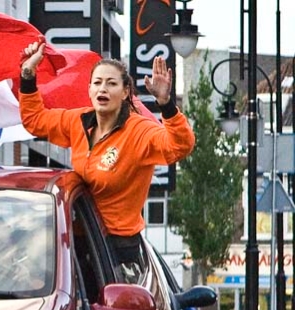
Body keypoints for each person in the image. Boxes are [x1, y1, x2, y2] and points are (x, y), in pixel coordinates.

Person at [19, 42, 195, 277]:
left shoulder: (138, 130)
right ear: (89, 90)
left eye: (111, 83)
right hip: (79, 238)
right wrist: (28, 74)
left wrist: (166, 104)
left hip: (119, 250)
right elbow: (34, 120)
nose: (103, 89)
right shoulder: (78, 121)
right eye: (97, 83)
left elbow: (180, 146)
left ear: (125, 93)